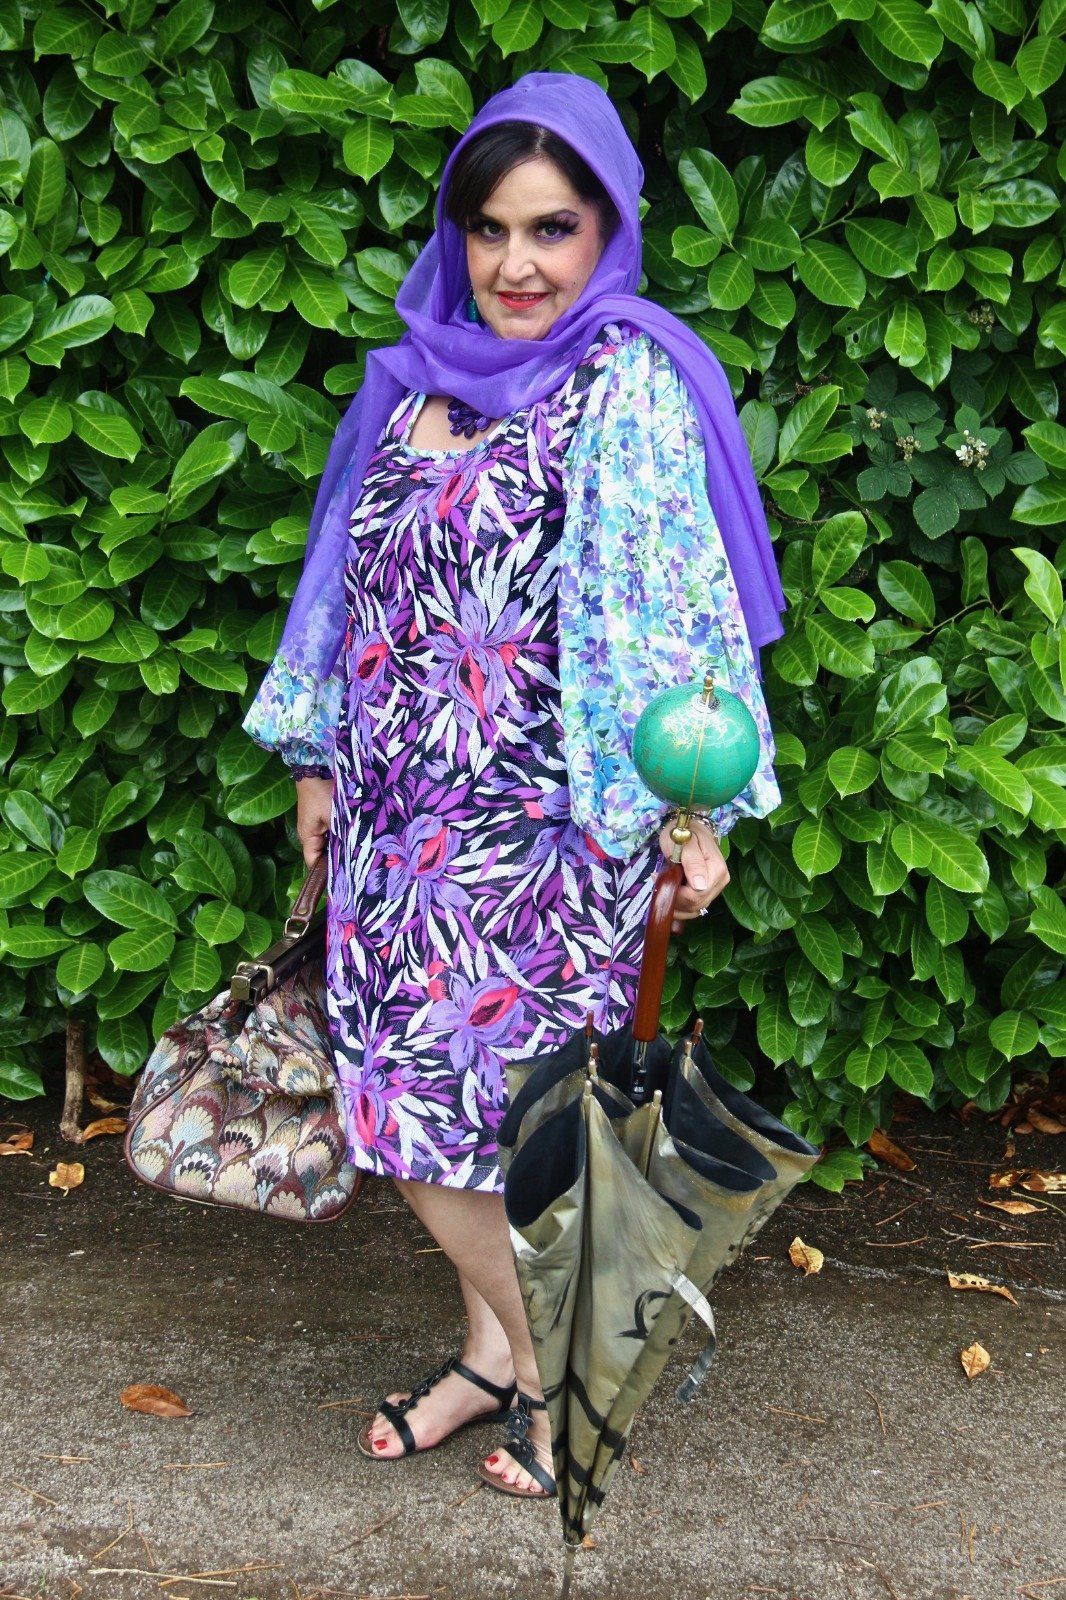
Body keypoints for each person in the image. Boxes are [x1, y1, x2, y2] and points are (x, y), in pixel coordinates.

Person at [242, 71, 785, 1500]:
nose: (516, 264)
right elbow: (349, 583)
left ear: (607, 230)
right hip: (394, 825)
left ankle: (560, 1369)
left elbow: (677, 622)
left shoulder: (628, 383)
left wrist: (694, 818)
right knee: (431, 1114)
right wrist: (316, 753)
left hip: (538, 840)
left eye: (552, 228)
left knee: (463, 1128)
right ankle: (497, 1358)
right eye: (488, 228)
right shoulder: (415, 377)